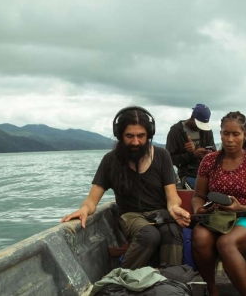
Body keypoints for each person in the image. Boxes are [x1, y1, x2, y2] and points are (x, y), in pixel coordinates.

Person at [61, 106, 191, 269]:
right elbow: (92, 199)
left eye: (141, 136)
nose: (135, 142)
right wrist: (84, 210)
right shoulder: (110, 160)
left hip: (160, 213)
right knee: (149, 235)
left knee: (172, 233)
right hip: (130, 215)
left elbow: (172, 197)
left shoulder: (162, 156)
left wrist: (174, 208)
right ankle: (121, 279)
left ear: (149, 134)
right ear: (120, 135)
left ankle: (170, 282)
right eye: (129, 136)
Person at [190, 111, 246, 296]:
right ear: (220, 134)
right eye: (226, 133)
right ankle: (212, 288)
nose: (230, 139)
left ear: (245, 135)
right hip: (216, 218)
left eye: (236, 134)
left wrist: (239, 208)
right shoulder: (209, 161)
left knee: (226, 243)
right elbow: (198, 195)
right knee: (199, 236)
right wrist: (198, 209)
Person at [166, 104, 216, 189]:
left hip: (208, 173)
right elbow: (170, 159)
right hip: (188, 174)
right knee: (198, 189)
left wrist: (207, 153)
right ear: (192, 117)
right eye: (198, 125)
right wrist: (192, 155)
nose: (200, 128)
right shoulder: (176, 131)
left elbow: (214, 152)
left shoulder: (207, 131)